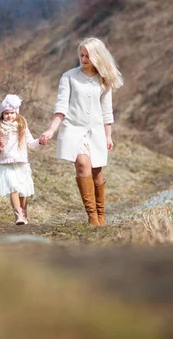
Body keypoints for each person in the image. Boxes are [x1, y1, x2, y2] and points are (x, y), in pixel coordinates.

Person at [39, 37, 123, 226]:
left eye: (88, 56)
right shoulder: (68, 77)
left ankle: (101, 215)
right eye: (81, 55)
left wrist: (108, 136)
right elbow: (61, 107)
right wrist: (51, 130)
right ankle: (92, 217)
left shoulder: (104, 80)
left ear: (97, 57)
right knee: (82, 164)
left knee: (96, 174)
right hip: (73, 129)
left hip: (96, 132)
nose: (83, 59)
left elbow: (106, 111)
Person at [0, 94, 42, 225]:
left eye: (12, 113)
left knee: (23, 191)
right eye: (6, 113)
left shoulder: (22, 127)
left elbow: (31, 144)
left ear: (16, 113)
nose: (9, 116)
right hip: (7, 164)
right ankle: (18, 215)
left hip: (21, 163)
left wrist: (40, 142)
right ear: (2, 114)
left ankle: (24, 214)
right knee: (13, 188)